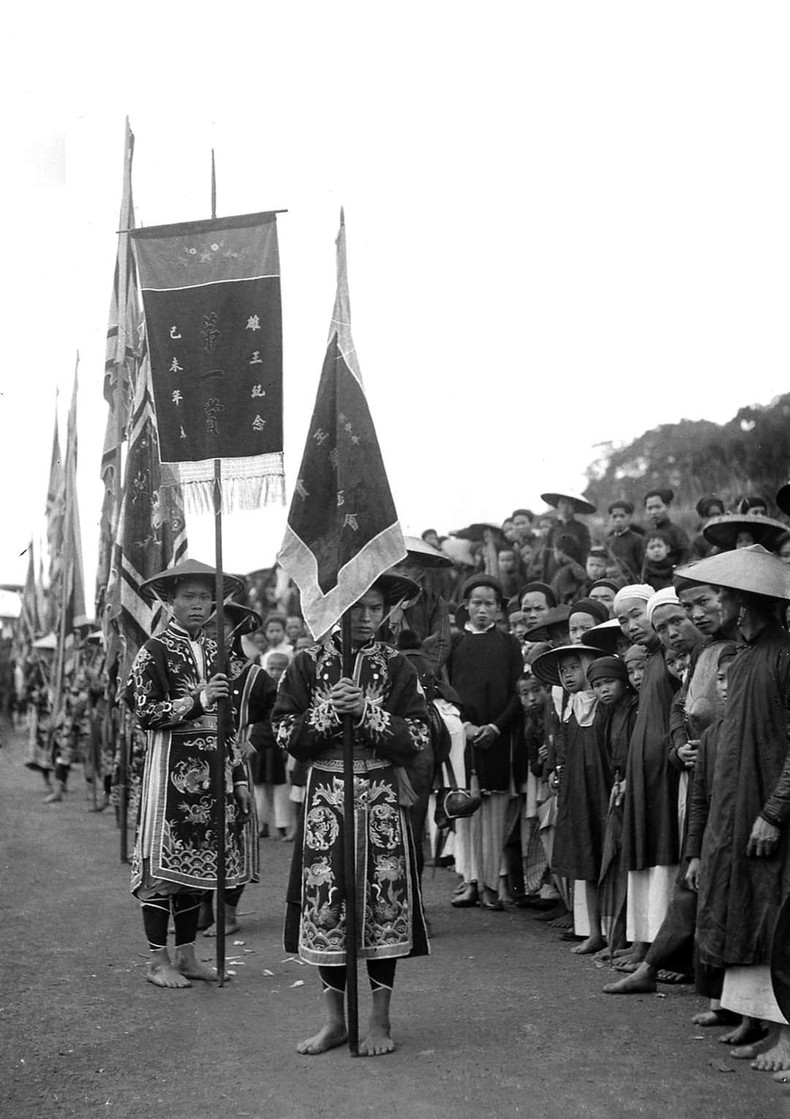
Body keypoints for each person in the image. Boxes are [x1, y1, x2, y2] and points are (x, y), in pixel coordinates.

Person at [272, 574, 431, 1057]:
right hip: (325, 794)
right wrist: (324, 714)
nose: (365, 617)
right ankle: (335, 1022)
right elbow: (281, 730)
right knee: (328, 899)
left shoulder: (398, 666)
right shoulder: (305, 664)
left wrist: (366, 713)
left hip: (380, 793)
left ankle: (379, 1022)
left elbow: (421, 734)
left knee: (384, 900)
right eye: (356, 608)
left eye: (375, 608)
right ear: (336, 609)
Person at [676, 545, 790, 1076]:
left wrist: (775, 811)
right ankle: (759, 1021)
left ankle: (785, 1035)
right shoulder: (742, 659)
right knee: (746, 911)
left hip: (770, 815)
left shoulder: (785, 654)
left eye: (720, 596)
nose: (712, 606)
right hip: (736, 811)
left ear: (743, 604)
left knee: (777, 916)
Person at [125, 558, 252, 989]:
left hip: (216, 771)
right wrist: (196, 702)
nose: (198, 605)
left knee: (202, 869)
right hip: (172, 769)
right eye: (189, 597)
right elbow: (145, 711)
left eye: (205, 597)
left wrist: (238, 779)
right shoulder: (154, 651)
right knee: (164, 867)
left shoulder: (220, 652)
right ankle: (157, 960)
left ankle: (188, 955)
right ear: (170, 601)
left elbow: (230, 722)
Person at [446, 574, 524, 911]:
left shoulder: (509, 644)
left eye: (489, 603)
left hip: (498, 737)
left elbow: (518, 692)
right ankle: (469, 881)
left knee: (493, 816)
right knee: (466, 813)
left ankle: (491, 883)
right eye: (476, 603)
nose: (482, 609)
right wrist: (467, 725)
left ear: (498, 608)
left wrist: (494, 726)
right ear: (466, 606)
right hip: (465, 737)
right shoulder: (455, 644)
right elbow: (447, 692)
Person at [614, 584, 680, 972]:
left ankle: (661, 949)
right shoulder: (649, 659)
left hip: (664, 771)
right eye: (623, 620)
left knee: (663, 857)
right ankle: (642, 942)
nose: (631, 625)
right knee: (642, 856)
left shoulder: (671, 658)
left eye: (637, 615)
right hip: (643, 770)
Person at [643, 489, 690, 566]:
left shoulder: (676, 532)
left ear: (667, 506)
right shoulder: (647, 532)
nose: (653, 512)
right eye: (650, 508)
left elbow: (687, 556)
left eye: (658, 507)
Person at [605, 500, 645, 584]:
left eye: (622, 516)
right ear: (610, 518)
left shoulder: (638, 540)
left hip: (632, 583)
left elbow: (643, 567)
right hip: (612, 582)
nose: (618, 520)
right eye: (614, 516)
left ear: (630, 517)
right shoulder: (608, 542)